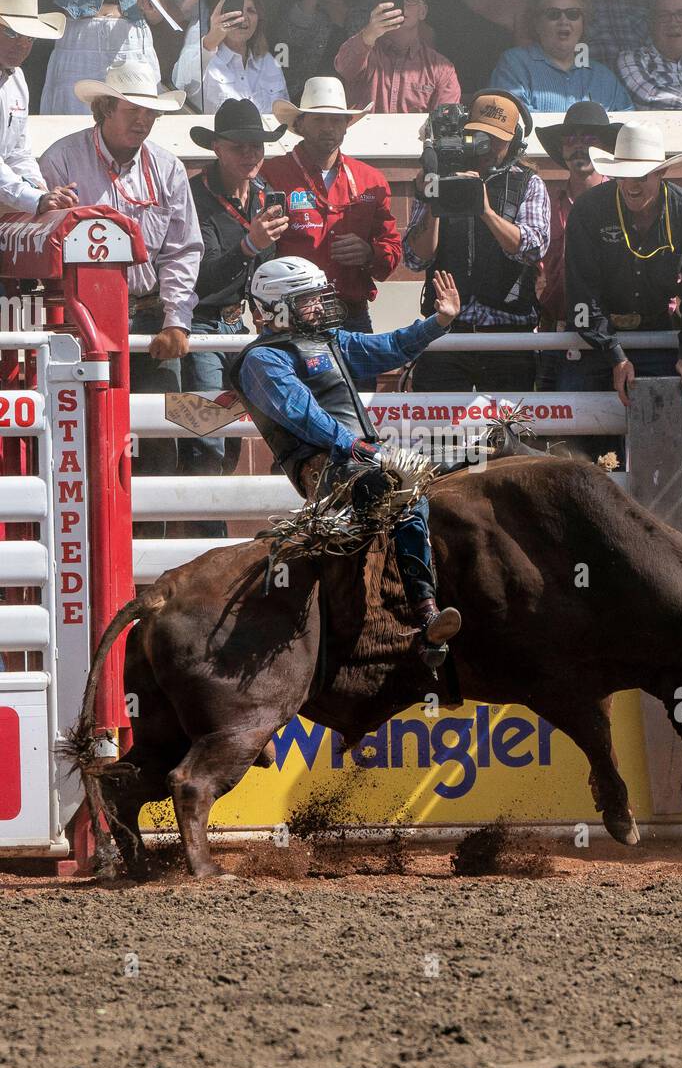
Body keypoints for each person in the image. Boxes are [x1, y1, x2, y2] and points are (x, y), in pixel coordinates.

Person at [230, 257, 463, 665]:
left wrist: (438, 322)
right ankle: (425, 611)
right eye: (308, 300)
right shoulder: (262, 359)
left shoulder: (330, 340)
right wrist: (361, 448)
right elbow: (304, 415)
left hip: (362, 456)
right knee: (400, 490)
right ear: (278, 306)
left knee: (463, 463)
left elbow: (388, 348)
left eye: (319, 297)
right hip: (324, 467)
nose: (320, 306)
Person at [39, 63, 202, 537]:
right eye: (133, 110)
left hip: (150, 317)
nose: (143, 121)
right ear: (105, 109)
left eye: (150, 113)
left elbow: (183, 250)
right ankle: (88, 542)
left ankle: (151, 554)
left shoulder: (167, 166)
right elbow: (36, 237)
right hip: (81, 322)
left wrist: (176, 319)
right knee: (83, 438)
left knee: (156, 444)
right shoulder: (61, 160)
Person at [563, 122, 682, 425]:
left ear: (661, 173)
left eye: (642, 176)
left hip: (657, 337)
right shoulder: (588, 209)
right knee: (575, 435)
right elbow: (582, 292)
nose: (632, 185)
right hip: (593, 342)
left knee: (663, 438)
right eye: (624, 176)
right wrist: (614, 354)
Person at [183, 99, 290, 537]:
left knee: (226, 439)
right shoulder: (194, 195)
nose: (250, 155)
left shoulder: (262, 193)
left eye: (257, 147)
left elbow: (268, 266)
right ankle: (209, 538)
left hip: (237, 327)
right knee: (206, 434)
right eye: (240, 146)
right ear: (218, 148)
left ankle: (211, 533)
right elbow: (199, 277)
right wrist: (250, 244)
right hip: (197, 322)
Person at [403, 90, 551, 394]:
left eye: (498, 139)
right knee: (438, 438)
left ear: (516, 141)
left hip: (508, 336)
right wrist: (436, 199)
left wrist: (484, 211)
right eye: (481, 135)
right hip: (445, 332)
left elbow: (534, 247)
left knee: (509, 435)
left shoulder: (528, 182)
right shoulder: (436, 178)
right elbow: (415, 259)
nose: (489, 146)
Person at [263, 77, 402, 333]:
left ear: (347, 125)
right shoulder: (271, 174)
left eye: (336, 120)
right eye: (319, 119)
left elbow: (391, 250)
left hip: (352, 314)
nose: (328, 127)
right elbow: (260, 250)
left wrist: (370, 253)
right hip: (290, 315)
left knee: (357, 375)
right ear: (300, 124)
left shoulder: (371, 179)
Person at [534, 103, 620, 388]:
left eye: (589, 140)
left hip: (617, 337)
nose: (578, 147)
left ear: (606, 148)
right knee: (555, 429)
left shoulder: (624, 202)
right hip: (556, 337)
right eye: (571, 140)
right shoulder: (545, 206)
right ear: (561, 149)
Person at [490, 0, 632, 114]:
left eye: (573, 14)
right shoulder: (515, 63)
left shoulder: (602, 76)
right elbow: (512, 117)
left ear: (583, 23)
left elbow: (627, 122)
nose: (564, 21)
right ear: (537, 23)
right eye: (553, 14)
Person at [334, 0, 461, 114]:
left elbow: (444, 126)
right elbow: (343, 68)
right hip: (365, 136)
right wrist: (369, 33)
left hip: (415, 138)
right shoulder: (365, 53)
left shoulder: (441, 69)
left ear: (423, 12)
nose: (402, 6)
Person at [0, 0, 76, 215]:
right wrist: (35, 197)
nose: (23, 44)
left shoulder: (17, 78)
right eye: (12, 32)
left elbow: (18, 151)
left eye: (30, 36)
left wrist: (40, 189)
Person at [199, 0, 287, 116]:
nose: (243, 17)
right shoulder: (200, 57)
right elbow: (185, 83)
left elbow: (285, 116)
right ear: (216, 15)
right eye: (236, 10)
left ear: (259, 19)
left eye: (251, 11)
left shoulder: (269, 62)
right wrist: (211, 39)